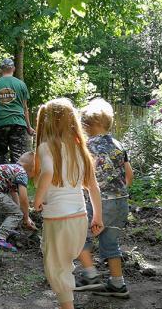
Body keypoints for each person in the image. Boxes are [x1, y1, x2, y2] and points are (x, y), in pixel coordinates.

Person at [33, 99, 104, 309]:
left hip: (57, 218)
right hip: (79, 219)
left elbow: (47, 172)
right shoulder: (79, 149)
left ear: (46, 123)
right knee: (65, 265)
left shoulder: (47, 147)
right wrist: (98, 217)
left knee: (57, 268)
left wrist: (37, 199)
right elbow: (93, 187)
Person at [74, 98, 134, 298]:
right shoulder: (118, 145)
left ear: (89, 125)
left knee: (79, 237)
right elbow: (129, 176)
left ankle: (90, 275)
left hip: (99, 202)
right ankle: (118, 284)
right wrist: (118, 191)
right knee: (110, 243)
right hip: (121, 202)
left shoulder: (86, 146)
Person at [0, 58, 35, 165]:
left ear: (1, 70)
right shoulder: (21, 85)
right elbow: (25, 108)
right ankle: (17, 180)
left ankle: (2, 179)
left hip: (1, 123)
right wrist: (29, 127)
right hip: (18, 123)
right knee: (18, 155)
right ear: (13, 69)